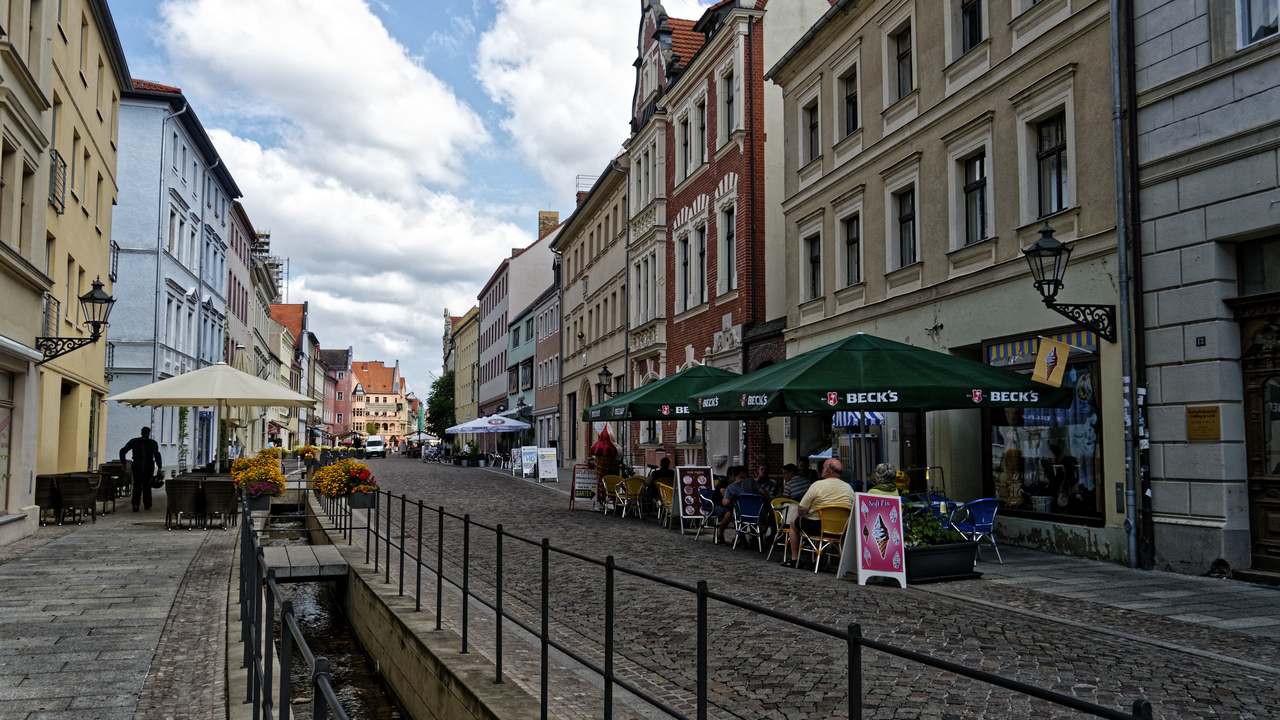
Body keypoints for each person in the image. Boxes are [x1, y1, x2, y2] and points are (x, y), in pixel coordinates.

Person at [782, 459, 854, 568]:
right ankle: (817, 560)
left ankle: (794, 558)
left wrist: (800, 516)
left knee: (793, 522)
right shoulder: (848, 488)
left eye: (823, 467)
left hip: (815, 526)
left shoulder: (817, 485)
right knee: (820, 522)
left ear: (827, 470)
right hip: (839, 529)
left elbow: (802, 508)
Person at [717, 465, 770, 543]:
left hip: (741, 515)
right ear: (742, 472)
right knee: (767, 514)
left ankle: (741, 538)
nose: (748, 474)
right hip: (757, 514)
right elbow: (764, 493)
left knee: (738, 513)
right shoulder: (751, 482)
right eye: (747, 472)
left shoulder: (730, 487)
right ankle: (756, 537)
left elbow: (725, 502)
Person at [120, 427, 163, 512]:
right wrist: (159, 467)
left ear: (141, 433)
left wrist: (123, 462)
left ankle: (135, 505)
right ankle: (147, 504)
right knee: (147, 485)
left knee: (137, 486)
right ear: (148, 434)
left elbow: (123, 450)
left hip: (137, 466)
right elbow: (157, 454)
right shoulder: (153, 443)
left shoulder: (134, 441)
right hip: (148, 466)